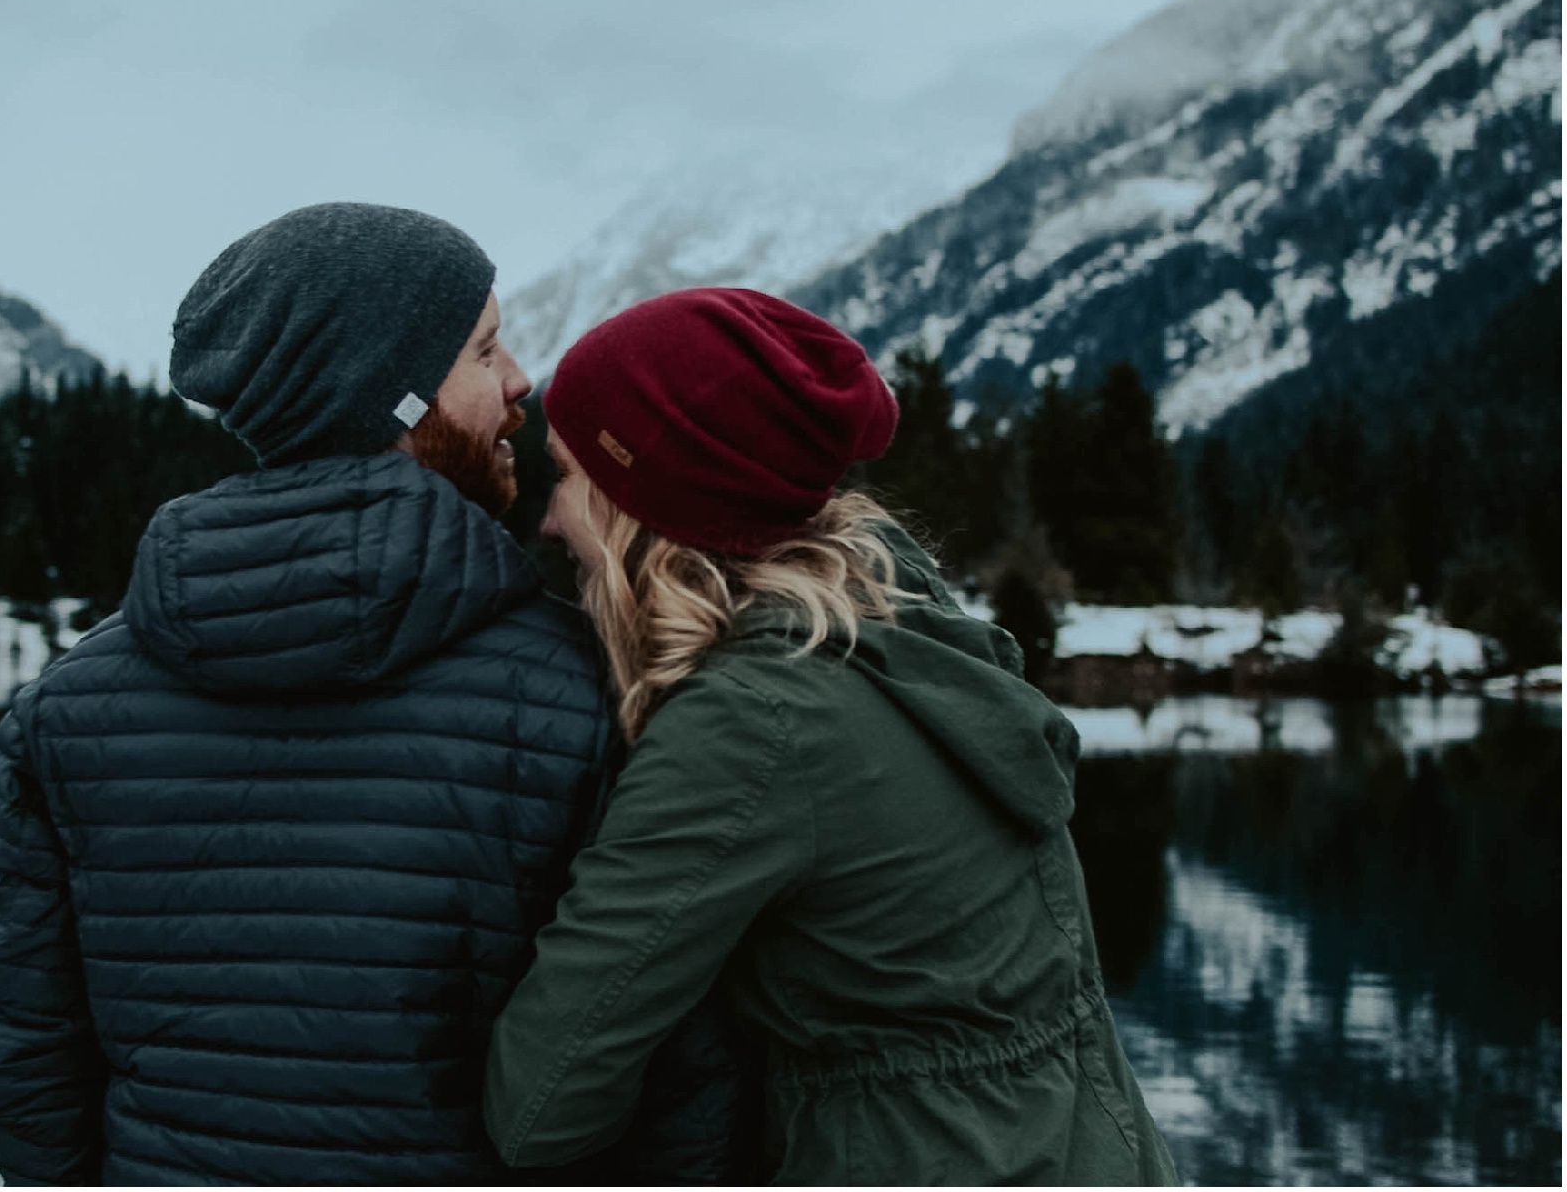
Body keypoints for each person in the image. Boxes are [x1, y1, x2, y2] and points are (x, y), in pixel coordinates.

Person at [0, 204, 753, 1184]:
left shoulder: (63, 708)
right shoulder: (584, 691)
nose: (518, 386)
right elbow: (675, 1069)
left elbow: (29, 1050)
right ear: (398, 399)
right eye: (484, 350)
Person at [482, 286, 1178, 1184]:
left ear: (645, 504)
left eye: (570, 477)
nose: (548, 517)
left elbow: (537, 1106)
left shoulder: (755, 722)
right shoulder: (904, 630)